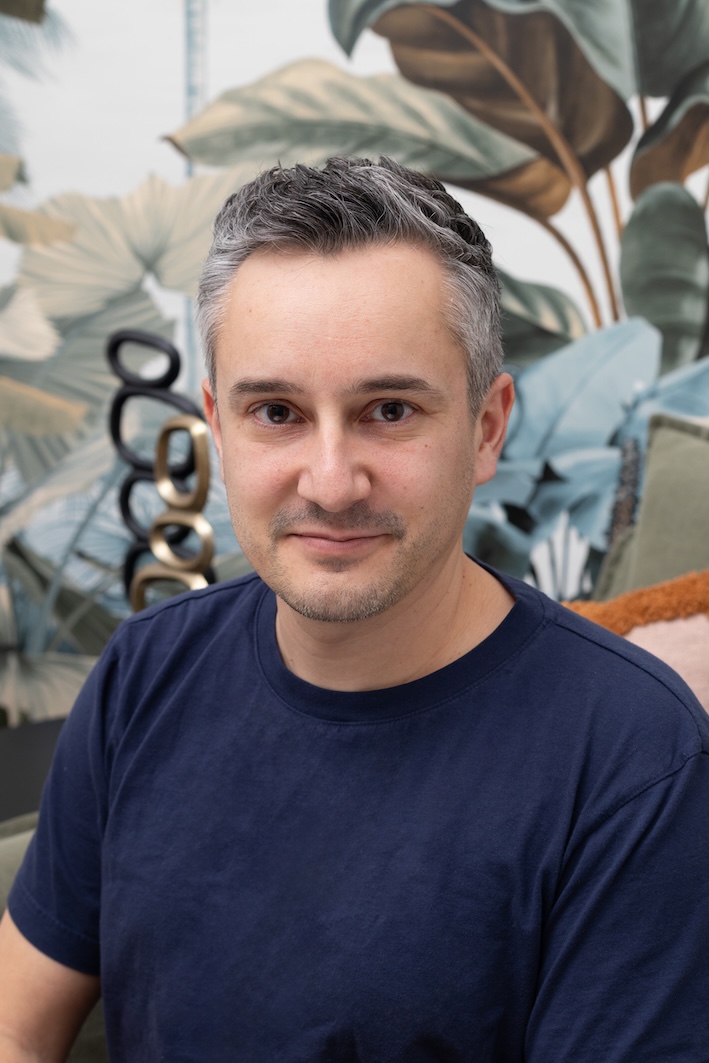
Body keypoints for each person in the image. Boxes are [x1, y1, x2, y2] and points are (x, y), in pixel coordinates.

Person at [0, 157, 706, 1062]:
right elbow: (17, 1021)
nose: (331, 483)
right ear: (218, 423)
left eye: (387, 409)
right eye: (279, 412)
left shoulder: (635, 757)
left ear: (486, 427)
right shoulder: (145, 671)